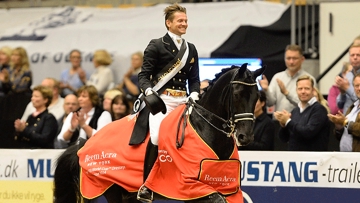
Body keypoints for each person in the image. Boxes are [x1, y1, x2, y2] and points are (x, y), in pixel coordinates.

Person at [137, 3, 200, 201]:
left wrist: (195, 93)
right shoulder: (156, 45)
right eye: (180, 21)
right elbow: (144, 75)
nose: (184, 24)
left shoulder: (191, 49)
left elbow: (194, 79)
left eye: (186, 21)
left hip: (184, 100)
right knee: (157, 138)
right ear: (168, 23)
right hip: (161, 99)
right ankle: (147, 185)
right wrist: (148, 91)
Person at [274, 75, 330, 151]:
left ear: (313, 90)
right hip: (295, 159)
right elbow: (284, 139)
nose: (303, 91)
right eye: (300, 89)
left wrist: (288, 121)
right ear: (296, 91)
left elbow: (308, 132)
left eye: (307, 88)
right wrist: (284, 126)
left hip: (313, 160)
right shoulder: (295, 111)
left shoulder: (319, 110)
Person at [259, 45, 317, 113]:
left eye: (294, 58)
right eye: (288, 58)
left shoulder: (309, 79)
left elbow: (309, 104)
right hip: (278, 121)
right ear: (284, 59)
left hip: (300, 122)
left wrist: (286, 93)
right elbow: (270, 103)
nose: (291, 62)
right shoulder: (277, 77)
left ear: (302, 59)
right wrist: (266, 90)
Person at [328, 73, 360, 152]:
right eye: (356, 86)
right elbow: (344, 135)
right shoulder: (353, 107)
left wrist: (345, 122)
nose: (359, 88)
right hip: (345, 158)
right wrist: (339, 127)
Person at [335, 44, 360, 114]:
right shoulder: (348, 75)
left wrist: (347, 88)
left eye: (358, 55)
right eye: (352, 55)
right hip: (347, 120)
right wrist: (342, 93)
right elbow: (339, 105)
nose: (355, 57)